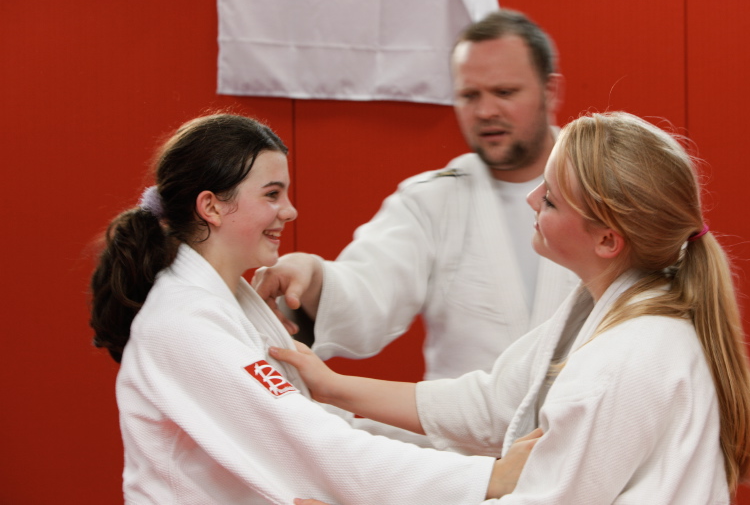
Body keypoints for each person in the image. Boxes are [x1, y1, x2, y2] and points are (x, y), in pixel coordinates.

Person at [269, 112, 750, 502]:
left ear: (608, 240)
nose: (530, 199)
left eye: (550, 200)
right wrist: (332, 387)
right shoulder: (605, 314)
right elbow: (488, 405)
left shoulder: (622, 361)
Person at [88, 113, 538, 504]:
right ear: (212, 207)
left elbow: (328, 429)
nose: (290, 211)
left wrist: (474, 458)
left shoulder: (231, 305)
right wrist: (488, 477)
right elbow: (319, 447)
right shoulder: (184, 323)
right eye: (271, 194)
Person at [255, 9, 578, 380]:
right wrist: (312, 278)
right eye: (469, 95)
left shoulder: (613, 185)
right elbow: (369, 292)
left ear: (550, 91)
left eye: (505, 92)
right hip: (463, 435)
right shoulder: (430, 200)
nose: (486, 111)